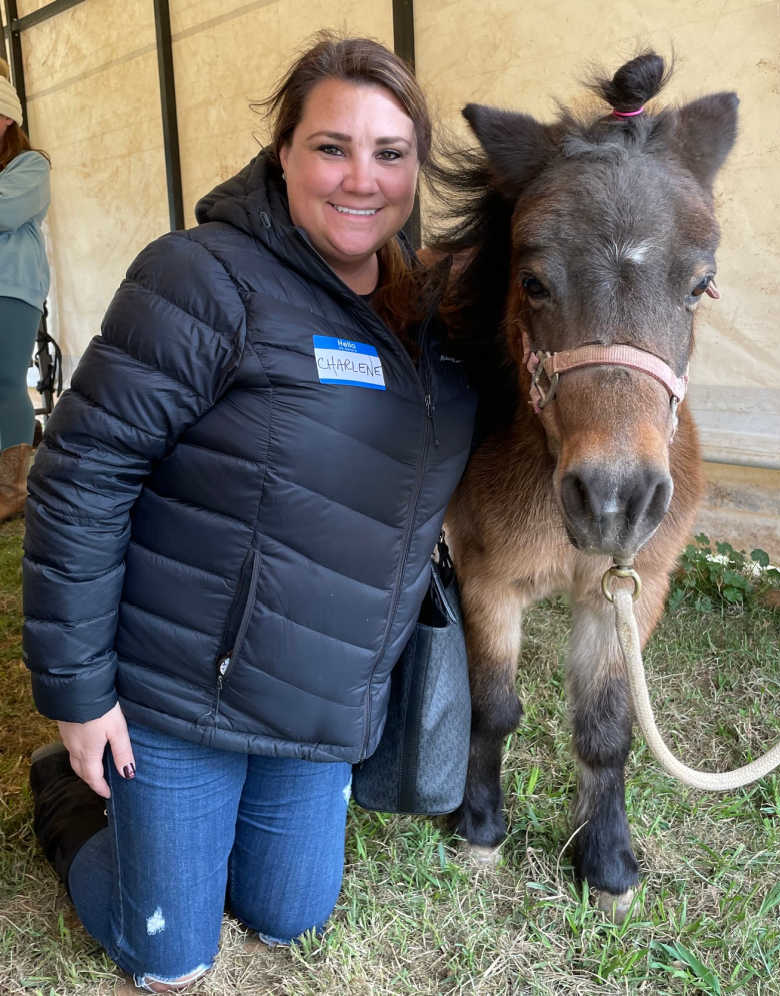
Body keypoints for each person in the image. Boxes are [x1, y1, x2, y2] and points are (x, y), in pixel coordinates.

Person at [23, 34, 475, 992]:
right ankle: (67, 798)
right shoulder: (202, 278)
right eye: (331, 147)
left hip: (319, 697)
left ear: (417, 170)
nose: (362, 178)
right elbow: (81, 475)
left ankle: (177, 837)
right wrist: (79, 695)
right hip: (183, 690)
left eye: (390, 153)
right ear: (283, 153)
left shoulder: (434, 316)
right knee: (169, 958)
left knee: (287, 916)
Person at [0, 57, 50, 522]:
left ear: (7, 119)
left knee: (5, 380)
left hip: (11, 289)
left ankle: (11, 490)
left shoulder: (31, 166)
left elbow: (5, 212)